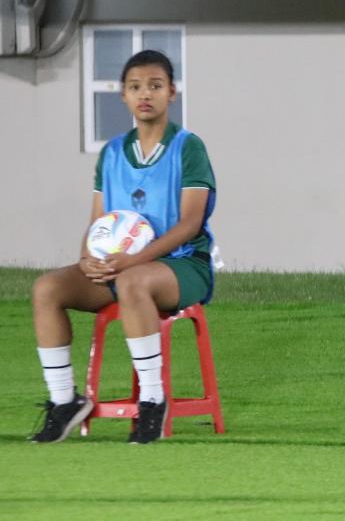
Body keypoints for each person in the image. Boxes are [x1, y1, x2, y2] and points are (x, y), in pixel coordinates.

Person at [29, 49, 217, 445]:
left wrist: (132, 260)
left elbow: (190, 223)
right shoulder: (112, 152)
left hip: (182, 266)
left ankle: (152, 400)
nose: (144, 94)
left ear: (172, 92)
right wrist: (88, 260)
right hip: (121, 266)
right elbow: (98, 220)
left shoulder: (189, 147)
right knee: (47, 288)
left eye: (154, 85)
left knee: (133, 281)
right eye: (135, 87)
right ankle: (64, 401)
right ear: (123, 96)